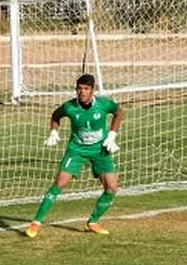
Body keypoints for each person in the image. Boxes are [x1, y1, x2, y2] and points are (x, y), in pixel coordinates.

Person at [24, 73, 124, 238]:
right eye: (79, 88)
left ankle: (92, 222)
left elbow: (119, 113)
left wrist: (112, 135)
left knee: (112, 188)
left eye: (86, 89)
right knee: (60, 183)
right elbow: (56, 115)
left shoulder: (104, 104)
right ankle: (36, 223)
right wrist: (54, 132)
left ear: (93, 90)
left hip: (100, 149)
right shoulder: (69, 107)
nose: (82, 92)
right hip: (76, 150)